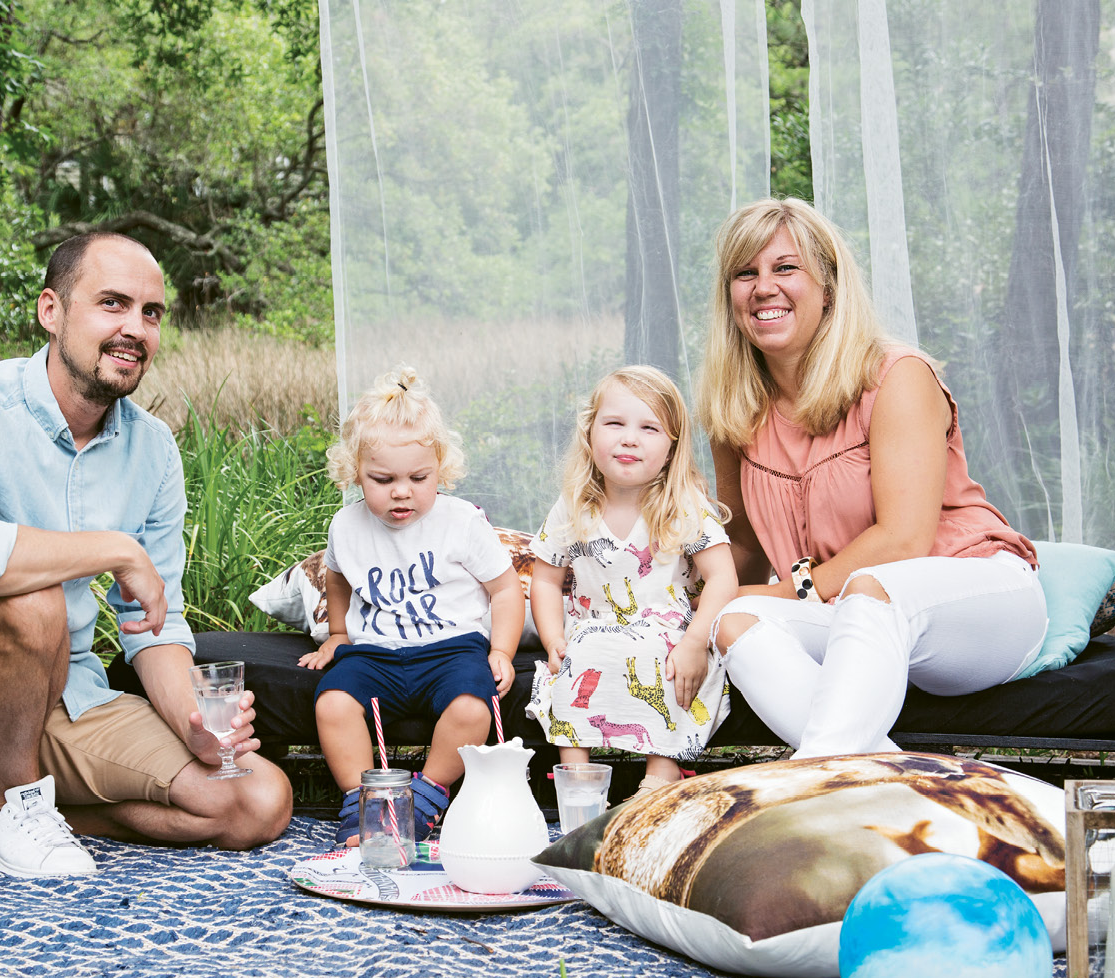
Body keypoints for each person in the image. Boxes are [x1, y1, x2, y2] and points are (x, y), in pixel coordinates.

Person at [0, 232, 292, 879]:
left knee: (257, 799)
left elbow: (155, 626)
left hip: (59, 695)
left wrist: (194, 723)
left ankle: (0, 812)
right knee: (31, 598)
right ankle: (15, 804)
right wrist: (112, 548)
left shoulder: (153, 449)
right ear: (50, 310)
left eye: (151, 312)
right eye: (112, 304)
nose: (134, 328)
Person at [698, 198, 1048, 759]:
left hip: (976, 596)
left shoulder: (897, 376)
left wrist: (794, 589)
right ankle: (895, 779)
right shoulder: (733, 407)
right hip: (847, 612)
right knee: (734, 620)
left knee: (871, 588)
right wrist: (681, 606)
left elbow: (903, 540)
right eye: (746, 273)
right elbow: (741, 547)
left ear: (829, 287)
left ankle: (810, 783)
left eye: (785, 268)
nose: (764, 287)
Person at [297, 368, 523, 845]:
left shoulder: (461, 521)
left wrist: (500, 650)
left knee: (472, 708)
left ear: (440, 468)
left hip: (451, 649)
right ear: (354, 471)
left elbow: (505, 589)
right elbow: (336, 578)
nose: (402, 491)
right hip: (375, 653)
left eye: (419, 478)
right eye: (383, 479)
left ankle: (425, 795)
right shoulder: (347, 525)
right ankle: (366, 802)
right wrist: (338, 634)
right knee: (333, 704)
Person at [526, 366, 738, 793]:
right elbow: (546, 579)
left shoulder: (682, 504)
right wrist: (553, 638)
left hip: (665, 630)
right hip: (592, 627)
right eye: (615, 423)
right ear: (590, 433)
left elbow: (722, 579)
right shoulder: (574, 506)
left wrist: (696, 641)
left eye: (649, 428)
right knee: (574, 660)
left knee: (672, 667)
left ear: (671, 446)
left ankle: (658, 781)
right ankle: (579, 781)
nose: (629, 438)